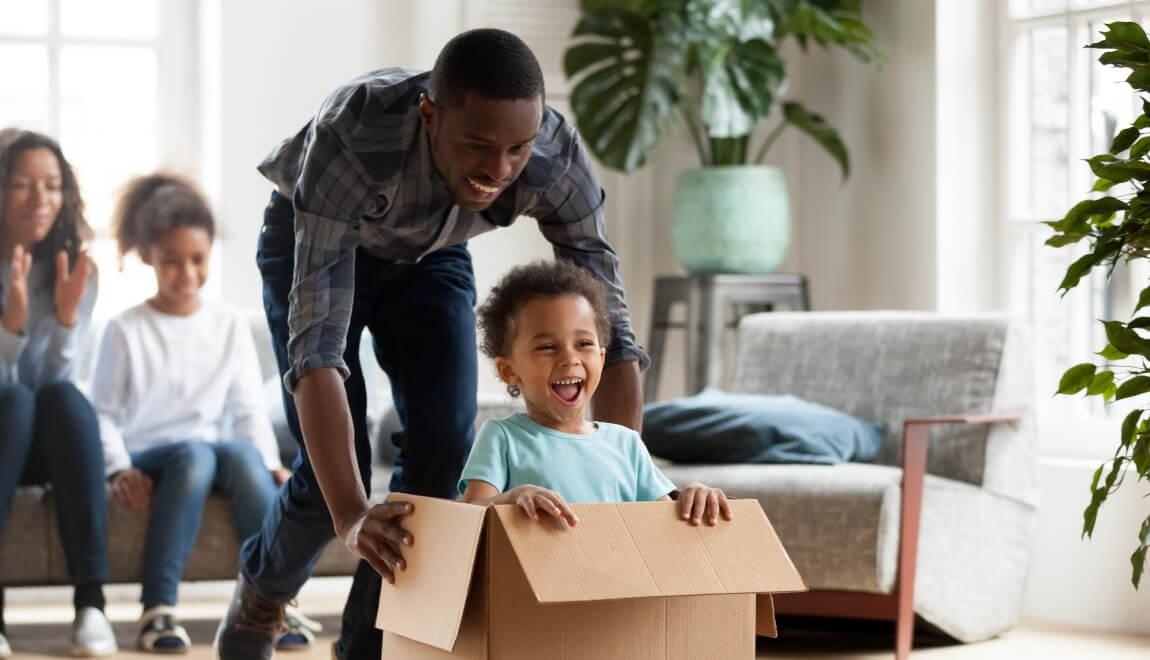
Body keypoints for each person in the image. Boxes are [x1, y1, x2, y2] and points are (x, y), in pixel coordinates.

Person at [215, 28, 650, 660]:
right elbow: (317, 354)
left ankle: (369, 642)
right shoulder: (353, 139)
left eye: (516, 150)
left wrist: (619, 499)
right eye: (477, 145)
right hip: (319, 240)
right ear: (429, 115)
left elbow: (611, 330)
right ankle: (261, 594)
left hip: (432, 254)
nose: (498, 171)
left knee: (445, 448)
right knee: (334, 477)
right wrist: (352, 516)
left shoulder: (556, 159)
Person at [89, 174, 318, 653]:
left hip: (214, 454)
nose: (186, 273)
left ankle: (273, 602)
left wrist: (267, 462)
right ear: (148, 256)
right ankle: (158, 612)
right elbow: (103, 414)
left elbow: (245, 408)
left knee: (238, 455)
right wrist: (118, 468)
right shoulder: (123, 329)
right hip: (153, 454)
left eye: (197, 259)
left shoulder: (228, 323)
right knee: (196, 455)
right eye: (171, 262)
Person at [460, 260, 732, 525]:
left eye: (583, 343)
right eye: (547, 347)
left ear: (601, 358)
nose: (570, 358)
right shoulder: (503, 437)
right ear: (509, 371)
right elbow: (470, 517)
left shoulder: (626, 444)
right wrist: (513, 498)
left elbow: (663, 524)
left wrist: (694, 495)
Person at [0, 128, 115, 657]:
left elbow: (57, 383)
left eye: (50, 185)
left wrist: (66, 321)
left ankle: (91, 605)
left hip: (47, 445)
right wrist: (11, 330)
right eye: (22, 185)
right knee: (15, 401)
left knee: (63, 399)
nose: (39, 199)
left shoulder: (74, 270)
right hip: (3, 439)